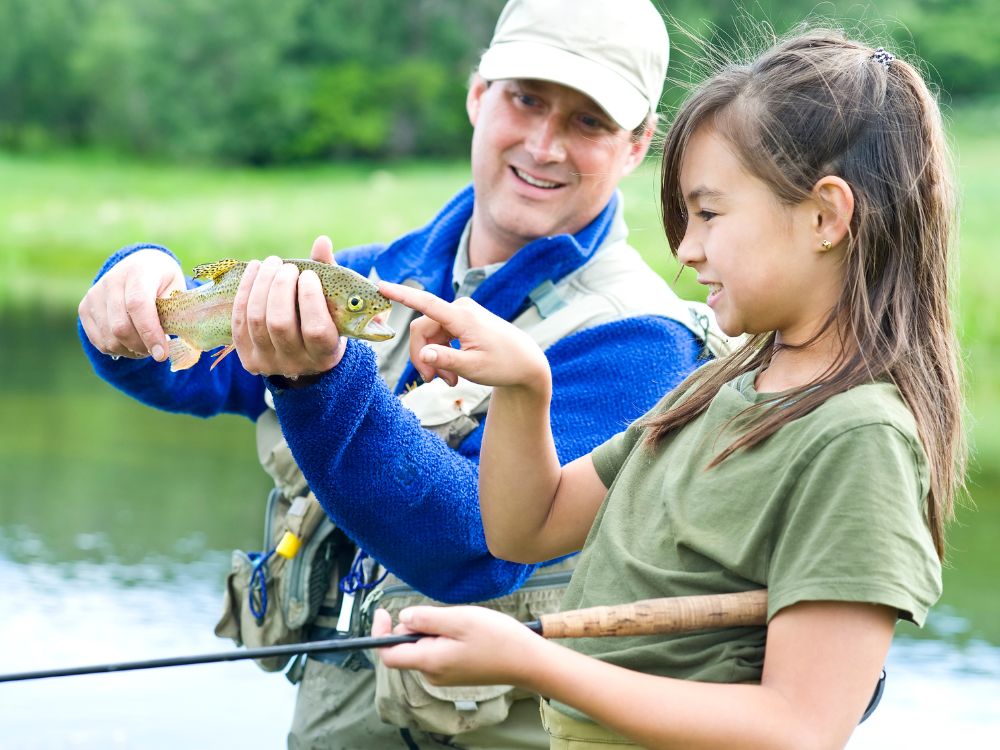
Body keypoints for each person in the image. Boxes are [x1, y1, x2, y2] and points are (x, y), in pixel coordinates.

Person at [76, 1, 722, 746]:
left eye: (588, 122)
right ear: (479, 95)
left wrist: (320, 382)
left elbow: (479, 544)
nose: (545, 144)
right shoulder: (375, 275)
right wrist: (133, 289)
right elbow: (185, 375)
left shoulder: (641, 339)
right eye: (527, 99)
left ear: (637, 145)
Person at [371, 29, 965, 749]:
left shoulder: (860, 438)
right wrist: (526, 385)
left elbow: (800, 727)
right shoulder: (722, 384)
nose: (686, 250)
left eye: (709, 213)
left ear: (825, 217)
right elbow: (526, 525)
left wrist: (536, 662)